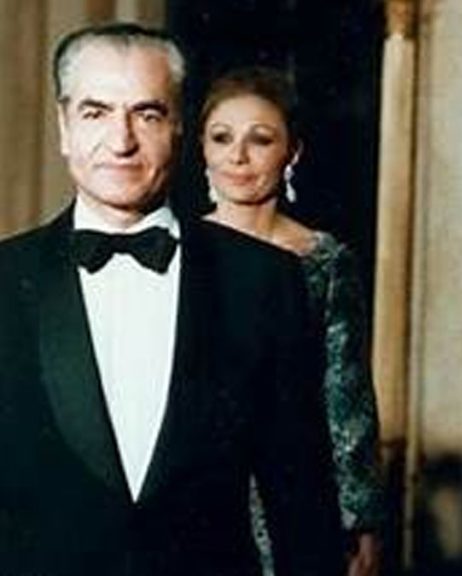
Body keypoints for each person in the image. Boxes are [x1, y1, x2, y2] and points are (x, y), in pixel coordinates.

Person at [0, 23, 347, 576]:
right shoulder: (6, 278)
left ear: (181, 126)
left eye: (147, 114)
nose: (121, 141)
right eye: (96, 112)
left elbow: (303, 508)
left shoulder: (264, 281)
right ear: (64, 127)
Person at [200, 66, 385, 576]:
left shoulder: (324, 260)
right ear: (202, 150)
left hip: (293, 492)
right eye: (221, 138)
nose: (238, 156)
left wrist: (360, 518)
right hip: (194, 491)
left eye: (260, 140)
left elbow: (346, 395)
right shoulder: (177, 253)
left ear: (292, 153)